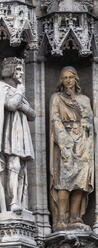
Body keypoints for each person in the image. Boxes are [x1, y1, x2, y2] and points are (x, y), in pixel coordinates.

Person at [49, 66, 94, 231]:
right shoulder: (57, 98)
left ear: (76, 80)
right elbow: (55, 120)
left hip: (82, 142)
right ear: (61, 81)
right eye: (65, 78)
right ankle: (61, 219)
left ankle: (75, 217)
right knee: (64, 181)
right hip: (65, 143)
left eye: (71, 77)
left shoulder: (84, 100)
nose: (68, 81)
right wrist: (65, 141)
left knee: (80, 182)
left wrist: (87, 125)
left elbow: (89, 120)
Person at [0, 57, 35, 214]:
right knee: (14, 165)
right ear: (10, 71)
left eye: (22, 69)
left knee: (22, 169)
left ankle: (21, 201)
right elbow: (10, 105)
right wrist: (20, 91)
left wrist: (21, 103)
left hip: (21, 132)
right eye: (18, 69)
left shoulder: (17, 90)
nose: (21, 72)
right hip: (10, 132)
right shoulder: (2, 87)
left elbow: (32, 114)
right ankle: (13, 201)